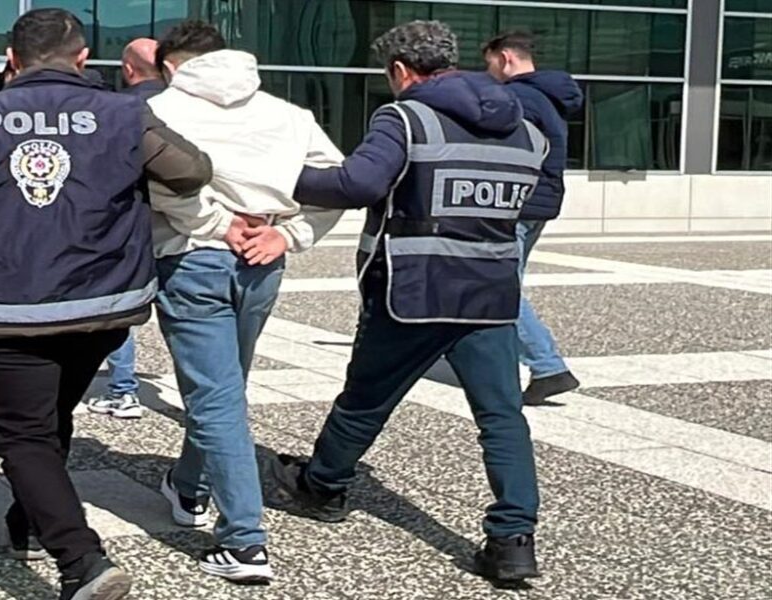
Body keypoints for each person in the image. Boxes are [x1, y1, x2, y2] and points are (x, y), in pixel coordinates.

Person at [0, 9, 211, 600]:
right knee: (48, 419)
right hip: (98, 303)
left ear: (11, 59)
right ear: (83, 57)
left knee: (23, 435)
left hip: (0, 305)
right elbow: (191, 172)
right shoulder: (122, 113)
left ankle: (80, 561)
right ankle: (28, 520)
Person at [266, 20, 548, 584]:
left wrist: (274, 176)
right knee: (501, 416)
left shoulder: (405, 118)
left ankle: (323, 487)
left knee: (366, 399)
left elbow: (357, 185)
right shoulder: (527, 130)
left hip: (413, 290)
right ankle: (513, 539)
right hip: (490, 292)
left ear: (399, 70)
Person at [147, 21, 344, 583]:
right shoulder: (288, 114)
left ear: (170, 66)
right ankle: (189, 487)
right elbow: (342, 181)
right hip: (263, 258)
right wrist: (289, 233)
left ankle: (244, 541)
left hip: (191, 255)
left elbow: (160, 184)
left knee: (215, 397)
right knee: (226, 387)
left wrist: (217, 222)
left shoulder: (160, 109)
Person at [484, 31, 583, 406]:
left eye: (490, 64)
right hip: (539, 202)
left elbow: (503, 152)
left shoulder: (519, 98)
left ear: (505, 58)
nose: (489, 73)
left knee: (500, 288)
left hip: (515, 205)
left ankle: (547, 366)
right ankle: (511, 363)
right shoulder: (547, 96)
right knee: (507, 283)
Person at [85, 38, 165, 420]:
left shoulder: (117, 110)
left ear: (129, 70)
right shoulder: (190, 107)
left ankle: (123, 390)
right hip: (186, 227)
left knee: (119, 308)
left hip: (128, 223)